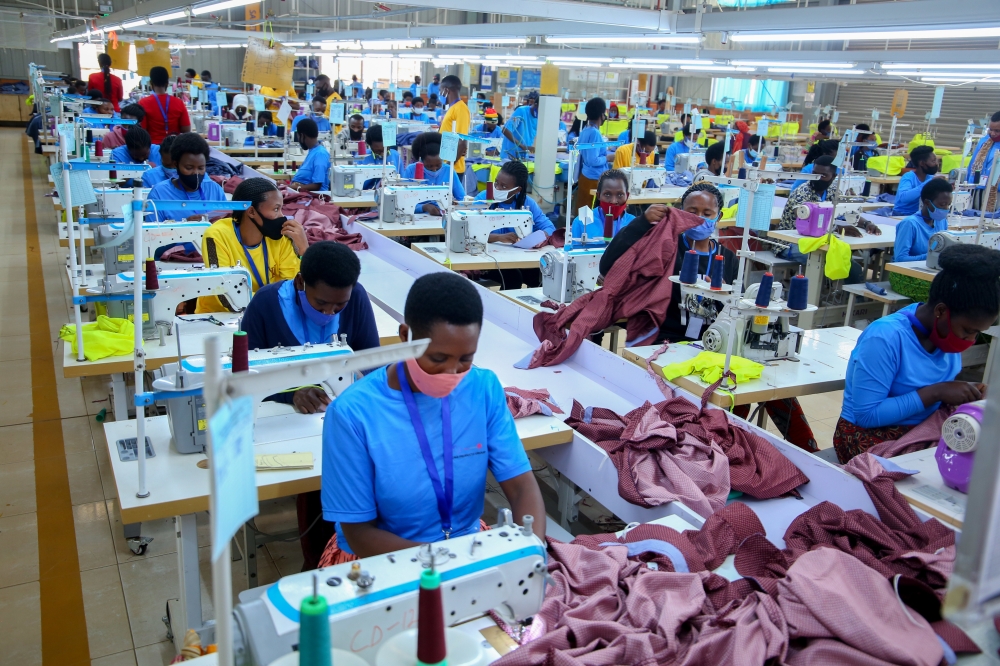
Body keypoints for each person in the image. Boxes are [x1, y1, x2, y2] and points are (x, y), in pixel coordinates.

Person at [320, 271, 546, 560]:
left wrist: (532, 552)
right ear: (405, 338)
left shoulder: (482, 388)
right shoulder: (352, 415)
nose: (452, 374)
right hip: (380, 562)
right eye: (437, 359)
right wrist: (449, 564)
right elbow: (360, 534)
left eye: (465, 359)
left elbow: (521, 486)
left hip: (465, 548)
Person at [242, 240, 379, 571]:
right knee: (317, 477)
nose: (331, 312)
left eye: (338, 306)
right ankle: (320, 561)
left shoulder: (356, 299)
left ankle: (359, 552)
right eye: (322, 304)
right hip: (287, 420)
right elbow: (247, 376)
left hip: (343, 410)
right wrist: (292, 393)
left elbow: (372, 362)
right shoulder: (265, 305)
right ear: (301, 283)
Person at [834, 243, 1000, 463]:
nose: (970, 340)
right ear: (941, 311)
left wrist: (970, 392)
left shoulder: (945, 335)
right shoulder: (885, 337)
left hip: (924, 428)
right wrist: (937, 392)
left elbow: (936, 389)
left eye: (977, 333)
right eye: (968, 331)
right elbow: (867, 415)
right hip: (866, 437)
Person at [601, 183, 730, 343]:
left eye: (707, 213)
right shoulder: (665, 247)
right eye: (692, 212)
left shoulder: (728, 260)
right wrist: (641, 223)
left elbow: (737, 311)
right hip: (664, 338)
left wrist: (726, 298)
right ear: (681, 212)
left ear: (719, 216)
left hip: (710, 341)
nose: (698, 217)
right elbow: (608, 266)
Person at [197, 177, 307, 312]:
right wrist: (277, 298)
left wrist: (304, 251)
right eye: (276, 209)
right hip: (218, 317)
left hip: (266, 313)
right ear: (251, 212)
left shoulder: (281, 238)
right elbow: (229, 299)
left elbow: (294, 290)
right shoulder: (218, 235)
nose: (282, 216)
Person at [778, 155, 878, 284]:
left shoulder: (832, 191)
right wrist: (837, 228)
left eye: (823, 175)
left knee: (844, 260)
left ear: (834, 177)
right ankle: (847, 300)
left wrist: (866, 223)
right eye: (815, 174)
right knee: (846, 264)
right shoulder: (801, 193)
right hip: (789, 244)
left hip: (817, 242)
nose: (818, 178)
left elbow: (849, 211)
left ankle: (843, 298)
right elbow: (805, 217)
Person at [146, 132, 226, 222]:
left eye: (201, 168)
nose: (196, 173)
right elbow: (152, 234)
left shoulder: (215, 190)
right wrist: (184, 226)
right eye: (189, 168)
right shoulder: (159, 194)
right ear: (176, 165)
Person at [399, 132, 465, 217]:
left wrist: (453, 206)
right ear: (421, 161)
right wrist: (424, 207)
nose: (434, 169)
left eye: (438, 165)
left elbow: (462, 198)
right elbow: (402, 201)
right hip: (415, 217)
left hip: (442, 217)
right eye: (429, 166)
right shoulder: (411, 170)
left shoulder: (449, 171)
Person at [570, 169, 638, 246]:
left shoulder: (633, 223)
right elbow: (574, 255)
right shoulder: (581, 222)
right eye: (607, 194)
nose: (613, 201)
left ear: (627, 196)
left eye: (620, 195)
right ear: (598, 195)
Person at [894, 179, 953, 263]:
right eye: (942, 204)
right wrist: (931, 256)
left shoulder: (942, 221)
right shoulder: (910, 224)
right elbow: (900, 259)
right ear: (927, 203)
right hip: (907, 272)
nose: (946, 209)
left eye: (949, 204)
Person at [574, 97, 610, 218]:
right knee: (590, 217)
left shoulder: (585, 130)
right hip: (594, 179)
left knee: (583, 215)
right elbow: (592, 160)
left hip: (585, 176)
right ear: (601, 114)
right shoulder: (594, 133)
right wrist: (608, 158)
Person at [140, 66, 191, 143]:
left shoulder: (143, 103)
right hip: (174, 146)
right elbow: (186, 130)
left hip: (153, 148)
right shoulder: (179, 102)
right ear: (167, 83)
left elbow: (142, 130)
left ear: (151, 83)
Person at [966, 110, 1000, 212]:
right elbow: (972, 165)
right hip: (978, 190)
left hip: (997, 193)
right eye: (991, 129)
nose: (992, 133)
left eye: (997, 131)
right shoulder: (984, 141)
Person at [893, 145, 941, 216]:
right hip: (902, 215)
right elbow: (904, 198)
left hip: (920, 215)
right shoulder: (908, 177)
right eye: (933, 161)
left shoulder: (930, 177)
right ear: (922, 163)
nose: (936, 163)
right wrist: (928, 183)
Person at [438, 75, 470, 176]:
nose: (440, 94)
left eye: (441, 90)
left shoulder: (461, 109)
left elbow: (462, 142)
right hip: (445, 163)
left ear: (446, 90)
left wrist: (448, 166)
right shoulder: (452, 108)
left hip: (454, 168)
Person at [289, 118, 331, 192]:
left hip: (314, 197)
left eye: (298, 136)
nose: (298, 139)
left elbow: (316, 186)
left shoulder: (320, 154)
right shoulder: (313, 151)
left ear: (302, 135)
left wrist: (291, 187)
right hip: (302, 194)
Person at [500, 91, 538, 159]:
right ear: (534, 104)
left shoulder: (540, 118)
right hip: (510, 155)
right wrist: (522, 146)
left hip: (523, 155)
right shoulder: (521, 111)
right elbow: (505, 130)